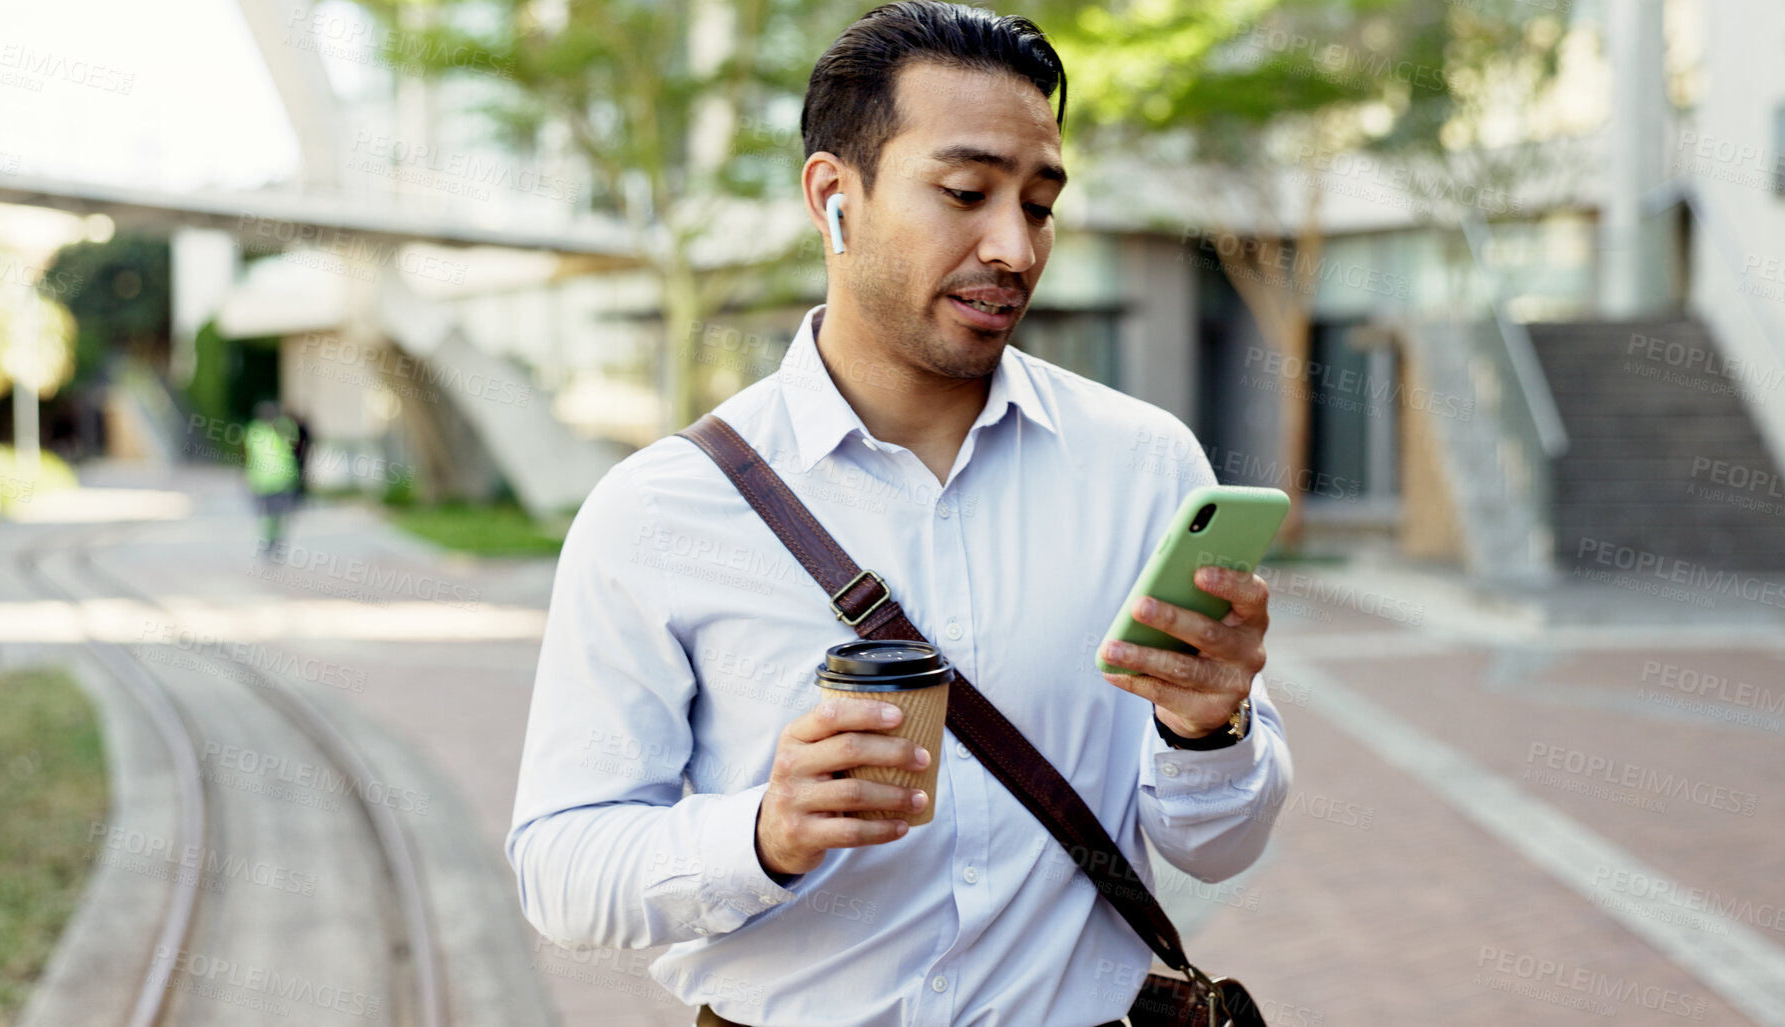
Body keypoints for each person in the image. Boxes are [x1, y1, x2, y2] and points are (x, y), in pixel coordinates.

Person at [506, 5, 1292, 1025]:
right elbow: (560, 869)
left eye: (1040, 204)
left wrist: (1209, 727)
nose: (1013, 247)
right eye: (965, 193)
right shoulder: (657, 509)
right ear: (834, 197)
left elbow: (1217, 846)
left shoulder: (1145, 467)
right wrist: (764, 832)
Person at [243, 400, 300, 560]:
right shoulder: (261, 430)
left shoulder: (273, 428)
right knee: (272, 514)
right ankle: (272, 540)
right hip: (273, 480)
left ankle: (273, 540)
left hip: (272, 480)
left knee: (273, 514)